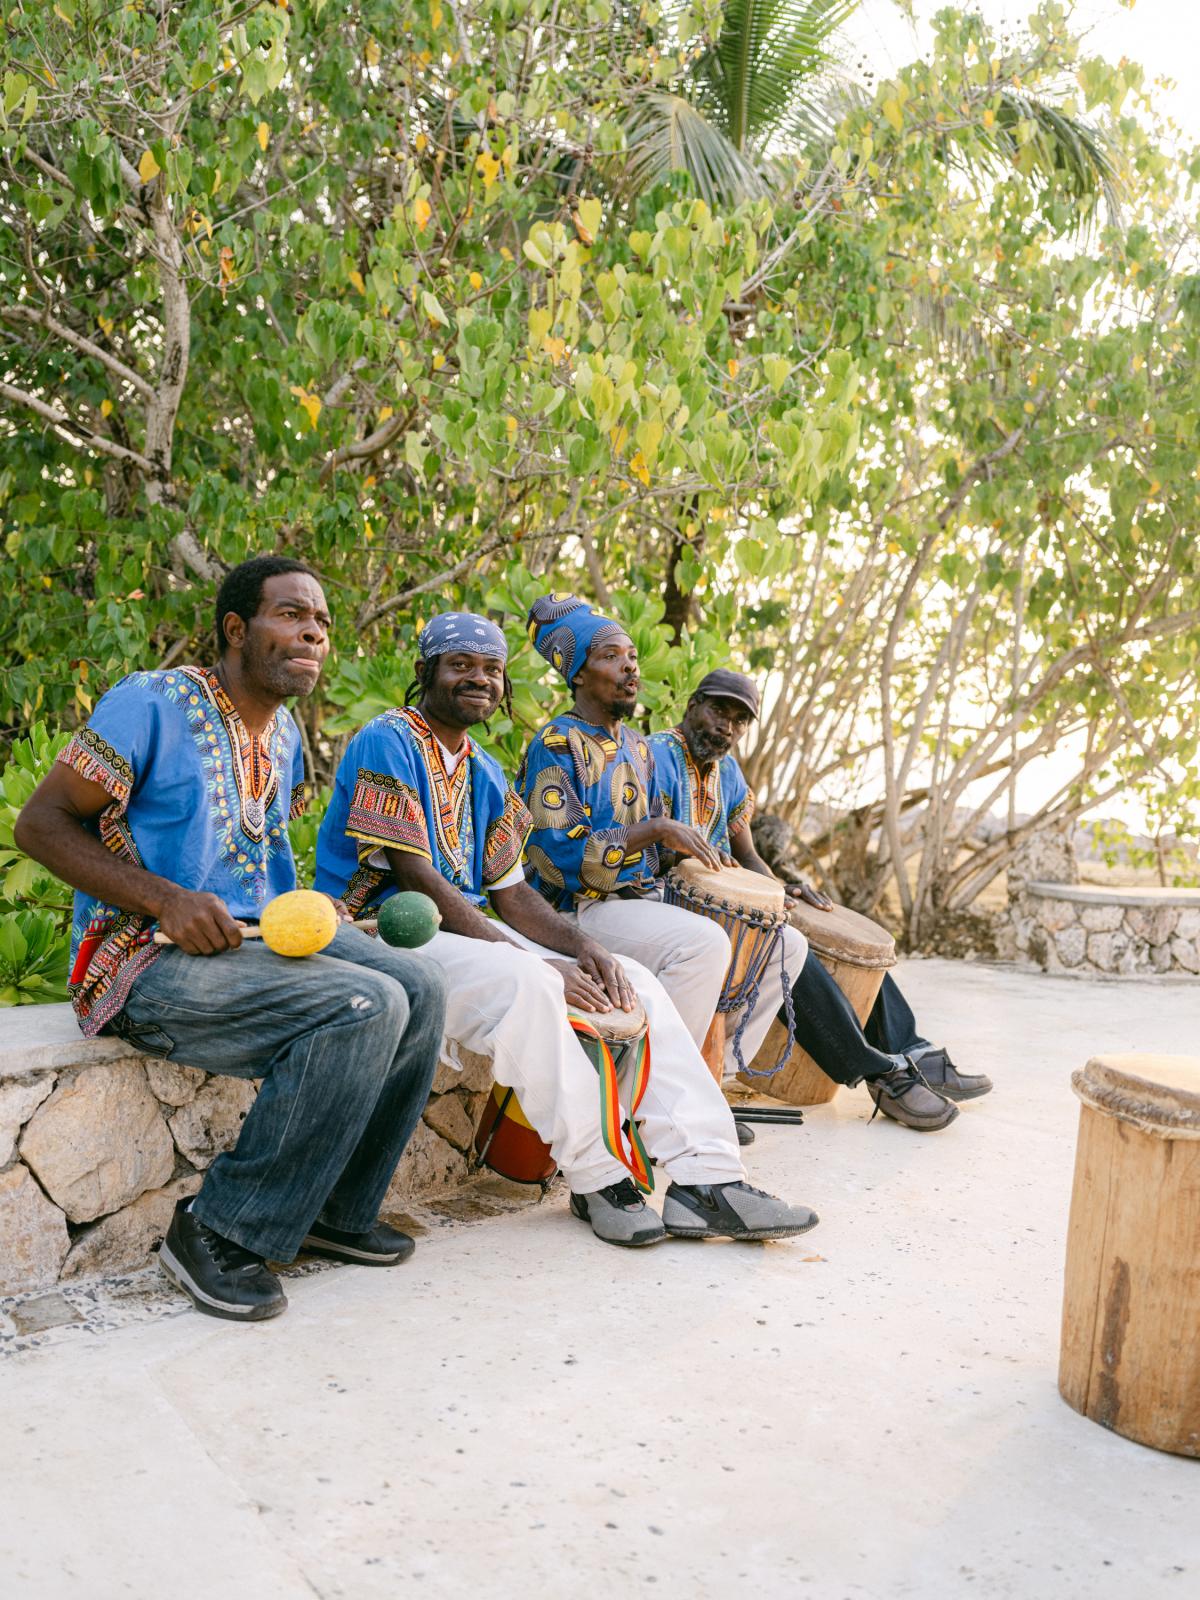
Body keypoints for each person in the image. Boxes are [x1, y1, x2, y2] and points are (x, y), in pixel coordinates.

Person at [14, 556, 448, 1323]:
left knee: (420, 987)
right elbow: (40, 825)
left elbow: (256, 872)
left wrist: (315, 914)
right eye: (291, 615)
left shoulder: (279, 736)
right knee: (361, 1003)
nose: (313, 631)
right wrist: (165, 899)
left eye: (320, 622)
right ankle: (217, 1231)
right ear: (235, 629)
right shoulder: (150, 703)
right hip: (138, 960)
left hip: (248, 942)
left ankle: (336, 1210)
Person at [314, 610, 818, 1247]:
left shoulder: (482, 770)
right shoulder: (388, 739)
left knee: (632, 979)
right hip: (382, 931)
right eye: (461, 665)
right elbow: (417, 878)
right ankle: (600, 1179)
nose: (479, 679)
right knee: (532, 983)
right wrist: (545, 964)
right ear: (425, 673)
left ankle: (706, 1180)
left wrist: (586, 948)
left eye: (492, 670)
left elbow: (514, 894)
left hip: (464, 933)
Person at [650, 670, 993, 1129]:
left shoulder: (728, 772)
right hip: (669, 906)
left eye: (738, 720)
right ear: (692, 705)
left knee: (806, 923)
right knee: (783, 942)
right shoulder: (654, 756)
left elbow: (748, 854)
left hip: (723, 906)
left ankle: (911, 1050)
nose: (725, 727)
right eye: (717, 711)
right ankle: (878, 1072)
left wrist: (777, 891)